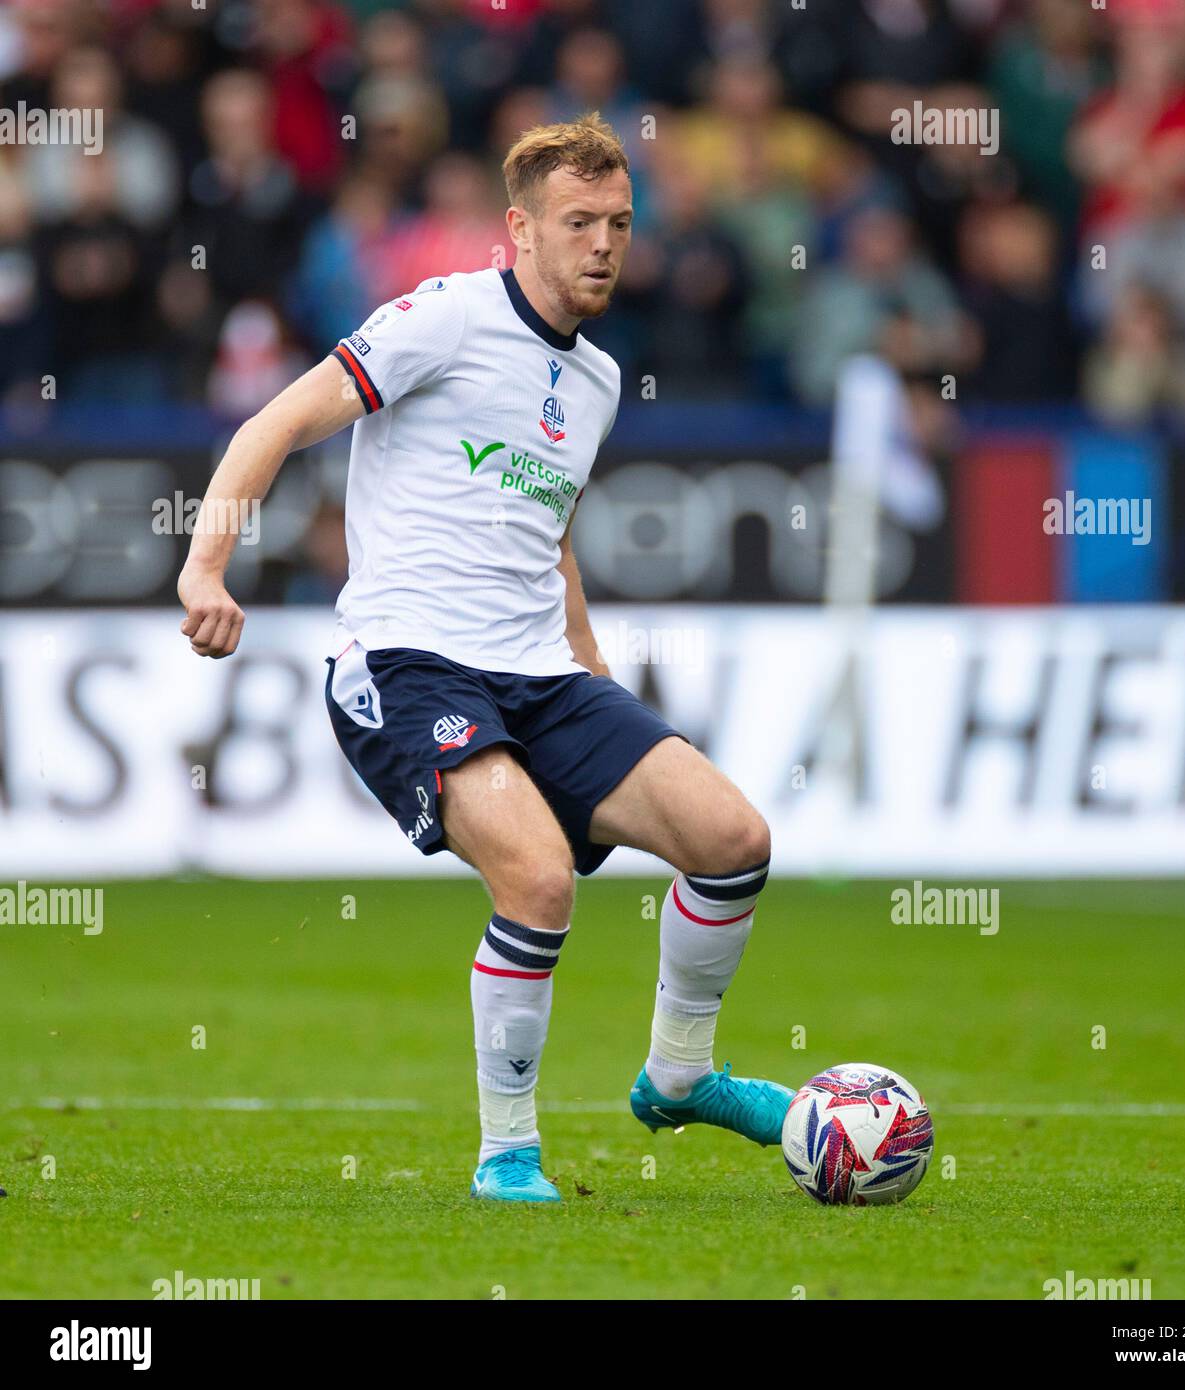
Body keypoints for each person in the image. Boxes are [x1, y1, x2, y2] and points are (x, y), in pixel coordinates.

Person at [175, 113, 791, 1203]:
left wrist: (595, 676)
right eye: (578, 222)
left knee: (734, 838)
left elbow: (550, 542)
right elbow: (273, 422)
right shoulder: (444, 319)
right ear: (519, 229)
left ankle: (681, 1072)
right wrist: (205, 569)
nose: (603, 243)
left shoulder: (598, 379)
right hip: (409, 663)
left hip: (542, 675)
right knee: (538, 877)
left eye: (619, 222)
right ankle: (507, 1152)